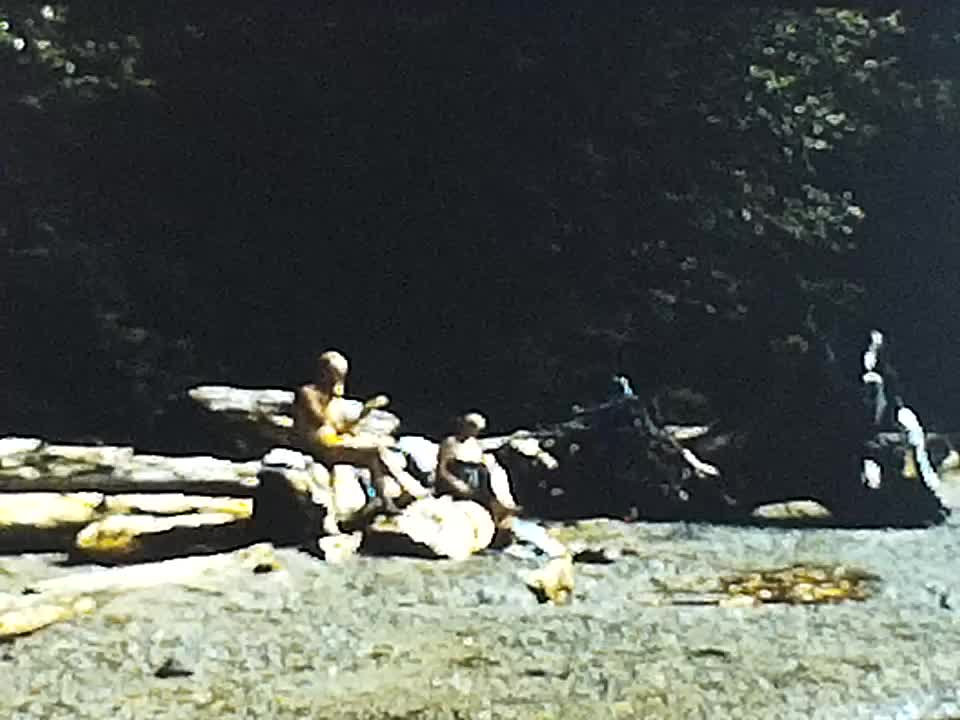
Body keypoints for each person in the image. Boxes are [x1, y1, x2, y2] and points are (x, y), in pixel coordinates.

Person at [293, 350, 428, 514]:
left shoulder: (333, 399)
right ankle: (407, 490)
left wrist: (366, 411)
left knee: (374, 454)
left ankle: (388, 499)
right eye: (335, 376)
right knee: (373, 452)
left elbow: (340, 428)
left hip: (332, 441)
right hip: (317, 446)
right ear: (323, 373)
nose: (337, 381)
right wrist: (331, 399)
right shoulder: (308, 393)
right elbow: (320, 419)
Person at [435, 412, 520, 526]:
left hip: (477, 484)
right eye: (471, 427)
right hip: (457, 481)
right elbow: (443, 469)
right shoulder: (450, 442)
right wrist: (456, 483)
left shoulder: (476, 444)